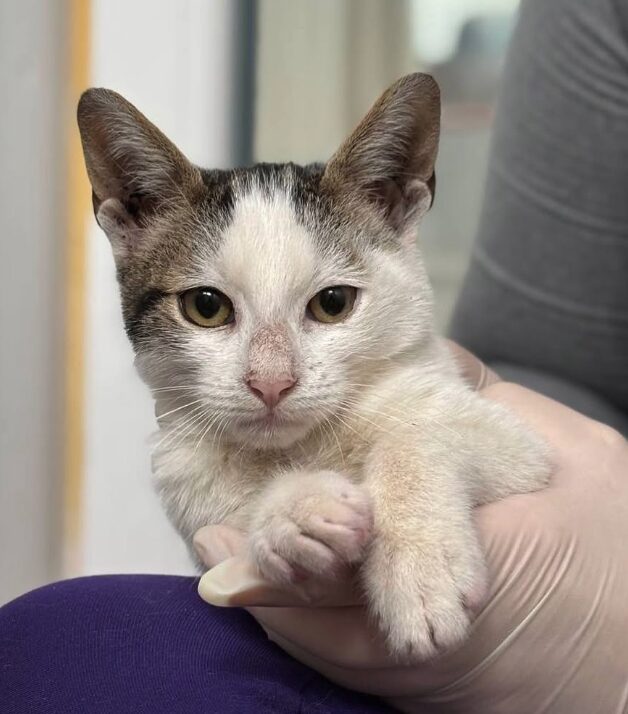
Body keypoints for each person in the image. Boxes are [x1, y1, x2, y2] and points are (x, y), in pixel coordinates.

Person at [1, 0, 627, 711]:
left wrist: (413, 470)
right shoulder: (188, 462)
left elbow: (512, 454)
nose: (273, 377)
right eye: (209, 308)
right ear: (130, 218)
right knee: (68, 642)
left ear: (398, 205)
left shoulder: (400, 387)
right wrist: (288, 515)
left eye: (330, 304)